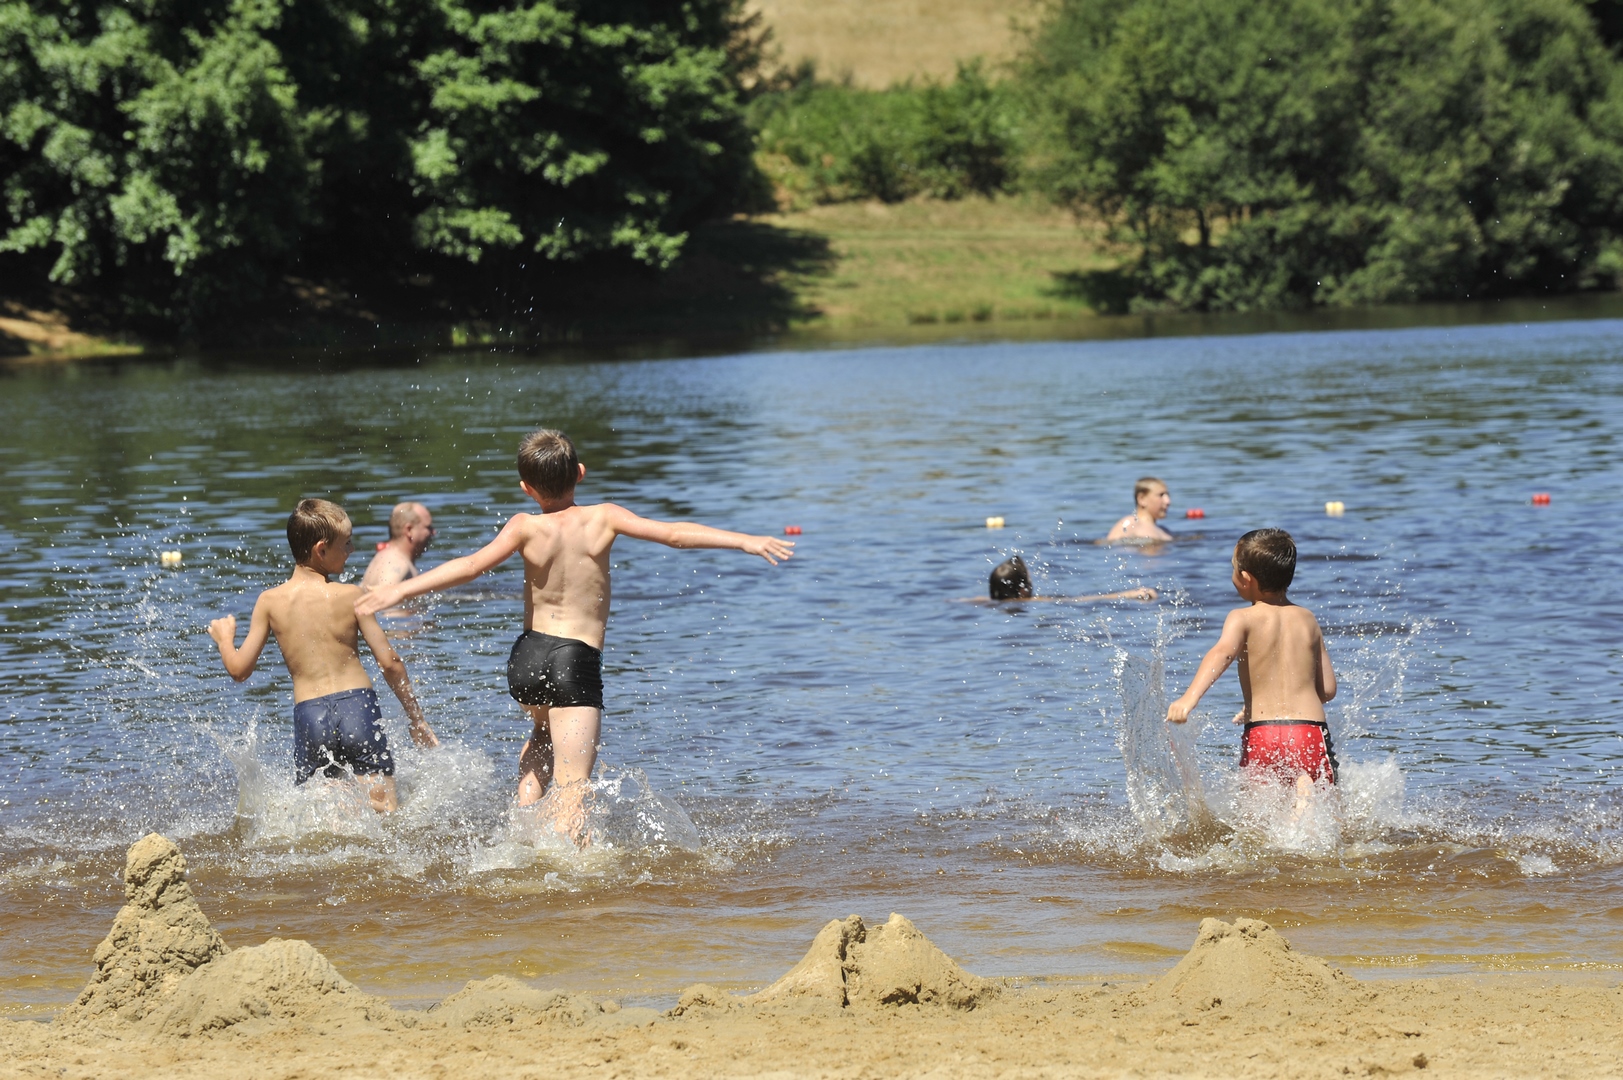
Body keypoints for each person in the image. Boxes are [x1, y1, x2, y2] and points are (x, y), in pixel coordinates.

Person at [355, 429, 793, 841]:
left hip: (527, 658)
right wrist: (744, 540)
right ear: (580, 474)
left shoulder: (524, 525)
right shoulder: (603, 518)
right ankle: (573, 887)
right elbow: (675, 535)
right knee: (574, 788)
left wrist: (396, 590)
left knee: (543, 739)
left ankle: (521, 830)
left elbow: (469, 566)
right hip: (573, 659)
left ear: (526, 487)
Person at [208, 498, 440, 813]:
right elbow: (391, 663)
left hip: (310, 717)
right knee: (386, 813)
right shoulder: (352, 596)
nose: (352, 550)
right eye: (346, 544)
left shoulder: (269, 601)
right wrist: (417, 718)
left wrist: (224, 640)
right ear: (321, 550)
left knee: (328, 822)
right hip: (358, 708)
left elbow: (239, 670)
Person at [1165, 528, 1338, 798]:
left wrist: (1189, 699)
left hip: (1262, 732)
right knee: (1326, 809)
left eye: (1233, 568)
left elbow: (1222, 652)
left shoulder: (1241, 617)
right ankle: (1304, 796)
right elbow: (1327, 690)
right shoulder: (1307, 619)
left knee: (1259, 820)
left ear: (1246, 578)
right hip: (1308, 731)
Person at [967, 555, 1158, 603]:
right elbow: (1079, 600)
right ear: (1024, 590)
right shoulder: (1033, 601)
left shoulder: (985, 602)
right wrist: (1130, 594)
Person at [361, 501, 434, 591]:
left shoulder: (386, 556)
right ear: (409, 530)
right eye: (428, 528)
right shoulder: (396, 562)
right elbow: (382, 596)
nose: (433, 532)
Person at [1104, 477, 1174, 543]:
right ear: (1142, 499)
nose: (1168, 501)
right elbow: (1109, 547)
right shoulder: (1130, 524)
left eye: (1167, 495)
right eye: (1161, 495)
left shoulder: (1164, 530)